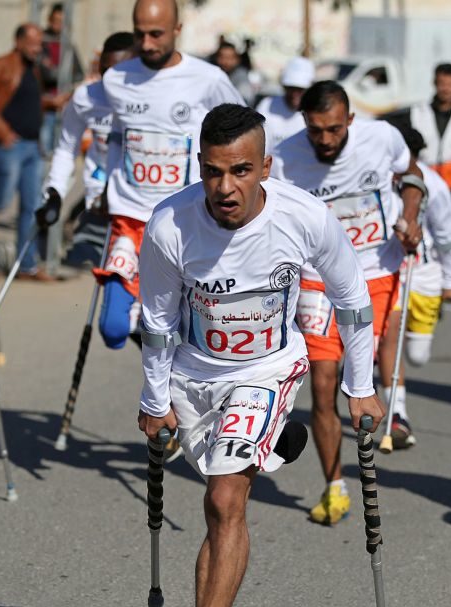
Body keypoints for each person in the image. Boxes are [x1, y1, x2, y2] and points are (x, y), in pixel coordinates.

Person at [138, 103, 383, 607]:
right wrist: (154, 398)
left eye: (241, 171)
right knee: (218, 488)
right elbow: (158, 320)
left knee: (226, 498)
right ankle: (277, 443)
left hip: (268, 369)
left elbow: (352, 301)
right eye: (214, 172)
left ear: (266, 167)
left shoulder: (304, 217)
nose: (226, 188)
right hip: (194, 377)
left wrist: (361, 387)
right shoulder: (169, 224)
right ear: (199, 166)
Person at [270, 80, 424, 524]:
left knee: (361, 373)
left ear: (350, 121)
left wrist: (409, 217)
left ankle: (391, 416)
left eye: (334, 130)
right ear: (304, 123)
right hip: (317, 281)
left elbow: (412, 174)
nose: (325, 140)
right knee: (322, 383)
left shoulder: (381, 138)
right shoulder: (285, 157)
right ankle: (334, 485)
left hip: (375, 271)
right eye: (316, 130)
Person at [94, 0, 244, 348]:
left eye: (156, 34)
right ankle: (148, 332)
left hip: (185, 220)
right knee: (114, 327)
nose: (146, 44)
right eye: (140, 34)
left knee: (193, 331)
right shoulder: (117, 78)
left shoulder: (208, 79)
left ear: (178, 30)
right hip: (130, 220)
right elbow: (109, 132)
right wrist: (100, 182)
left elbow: (246, 132)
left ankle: (171, 374)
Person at [0, 23, 53, 281]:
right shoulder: (2, 65)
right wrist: (2, 132)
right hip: (9, 146)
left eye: (39, 43)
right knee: (1, 200)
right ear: (18, 42)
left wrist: (54, 102)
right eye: (32, 43)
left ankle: (26, 265)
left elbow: (31, 101)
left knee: (31, 206)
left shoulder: (33, 69)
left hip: (32, 146)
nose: (37, 48)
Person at [36, 32, 135, 231]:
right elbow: (66, 148)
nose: (110, 79)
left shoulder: (153, 99)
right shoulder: (86, 97)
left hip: (136, 208)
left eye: (119, 72)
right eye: (105, 70)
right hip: (97, 204)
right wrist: (55, 192)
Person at [396, 127, 451, 368]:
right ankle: (397, 403)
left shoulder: (434, 183)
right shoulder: (378, 176)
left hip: (425, 274)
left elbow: (447, 235)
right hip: (388, 272)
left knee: (417, 357)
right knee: (386, 345)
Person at [408, 63, 451, 219]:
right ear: (434, 83)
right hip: (424, 182)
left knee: (450, 232)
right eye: (442, 84)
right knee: (423, 230)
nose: (446, 89)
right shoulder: (418, 112)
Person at [39, 2, 84, 156]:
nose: (58, 25)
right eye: (55, 21)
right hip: (45, 107)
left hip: (63, 107)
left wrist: (66, 93)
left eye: (62, 22)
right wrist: (58, 72)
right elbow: (46, 74)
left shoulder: (68, 46)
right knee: (43, 152)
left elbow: (78, 75)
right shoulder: (40, 43)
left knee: (61, 152)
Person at [254, 56, 312, 155]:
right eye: (291, 88)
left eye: (300, 89)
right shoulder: (267, 106)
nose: (295, 94)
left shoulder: (314, 111)